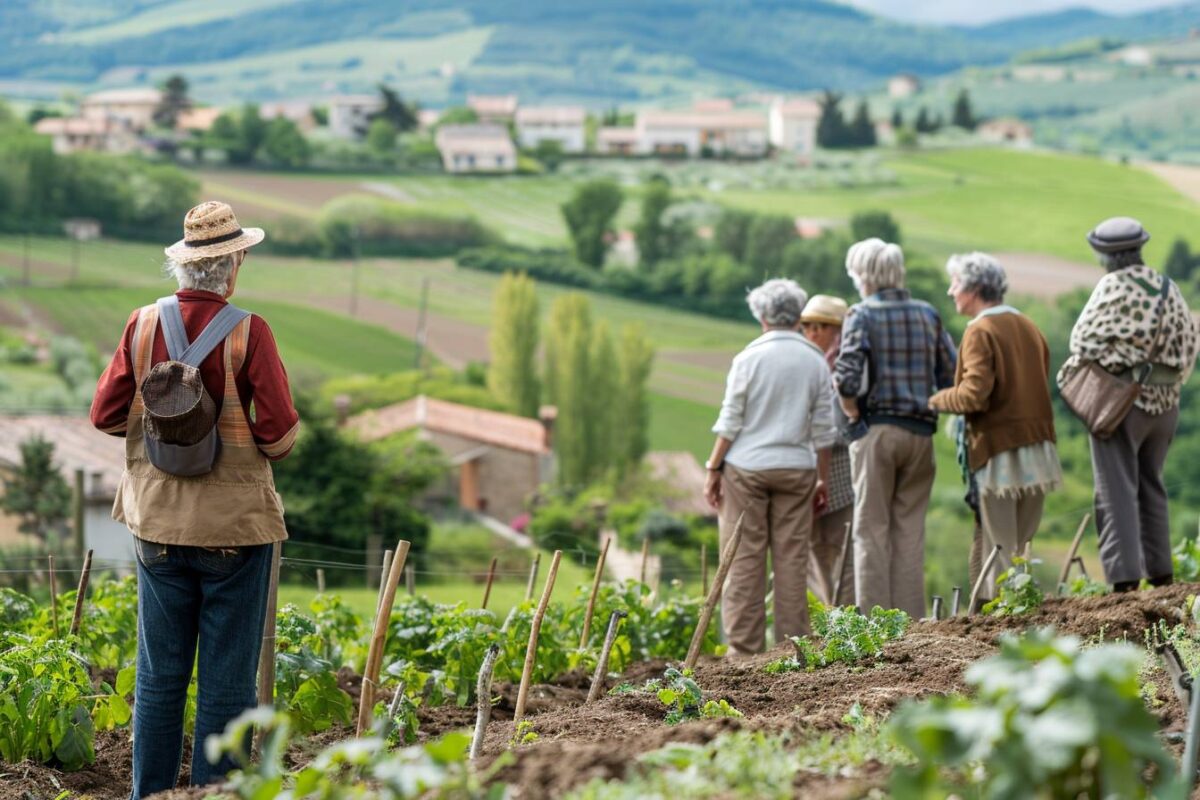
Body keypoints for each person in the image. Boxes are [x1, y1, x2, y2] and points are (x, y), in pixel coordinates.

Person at [90, 201, 300, 798]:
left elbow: (104, 416)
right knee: (228, 686)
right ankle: (217, 794)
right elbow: (280, 436)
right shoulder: (249, 332)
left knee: (159, 679)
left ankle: (148, 794)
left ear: (183, 266)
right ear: (231, 267)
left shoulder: (141, 325)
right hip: (235, 531)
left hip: (156, 525)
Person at [1058, 217, 1198, 591]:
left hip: (1121, 406)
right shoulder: (1168, 286)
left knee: (1115, 489)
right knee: (1152, 484)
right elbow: (1188, 347)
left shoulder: (1112, 286)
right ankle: (1162, 575)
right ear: (1139, 249)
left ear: (1105, 255)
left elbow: (1081, 342)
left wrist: (1118, 358)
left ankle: (1124, 582)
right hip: (1166, 406)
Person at [705, 279, 835, 653]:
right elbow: (824, 430)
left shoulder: (749, 358)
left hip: (746, 469)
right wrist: (822, 478)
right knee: (792, 562)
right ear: (798, 316)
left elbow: (731, 422)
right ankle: (791, 651)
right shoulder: (815, 360)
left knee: (744, 560)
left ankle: (744, 654)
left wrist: (714, 468)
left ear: (761, 315)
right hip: (797, 468)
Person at [928, 253, 1061, 605]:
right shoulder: (1029, 326)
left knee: (999, 541)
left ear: (973, 289)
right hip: (1039, 445)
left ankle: (1006, 616)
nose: (951, 291)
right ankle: (1017, 608)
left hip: (1000, 449)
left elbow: (974, 396)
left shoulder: (979, 331)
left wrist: (936, 400)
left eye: (955, 284)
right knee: (1022, 542)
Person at [833, 239, 956, 619]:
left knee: (870, 531)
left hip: (877, 431)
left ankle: (875, 625)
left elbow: (846, 379)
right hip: (921, 436)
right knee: (909, 533)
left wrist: (853, 415)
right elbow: (950, 375)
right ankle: (911, 625)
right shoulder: (928, 314)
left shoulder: (861, 315)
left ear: (865, 276)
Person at [800, 294, 855, 606]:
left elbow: (839, 428)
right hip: (807, 474)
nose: (812, 332)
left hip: (840, 476)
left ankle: (843, 625)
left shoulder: (846, 367)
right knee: (815, 555)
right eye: (807, 325)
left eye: (821, 326)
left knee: (841, 553)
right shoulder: (807, 363)